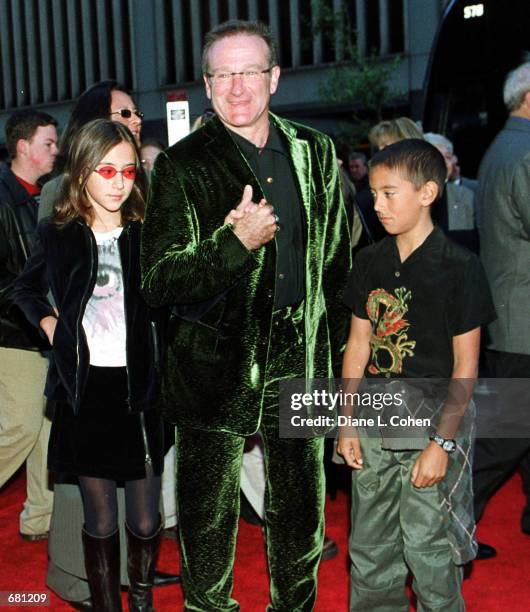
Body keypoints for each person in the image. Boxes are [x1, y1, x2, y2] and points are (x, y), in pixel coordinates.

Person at [141, 19, 351, 611]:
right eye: (223, 75)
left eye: (250, 72)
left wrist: (334, 370)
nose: (238, 87)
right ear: (207, 87)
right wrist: (235, 244)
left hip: (301, 360)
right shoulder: (181, 166)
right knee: (206, 527)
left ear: (275, 78)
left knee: (302, 518)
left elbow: (335, 270)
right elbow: (158, 282)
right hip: (212, 369)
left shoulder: (315, 150)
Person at [13, 119, 166, 612]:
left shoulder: (149, 233)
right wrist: (51, 325)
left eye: (128, 171)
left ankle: (139, 598)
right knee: (99, 519)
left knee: (144, 519)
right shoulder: (59, 234)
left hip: (140, 390)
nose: (120, 182)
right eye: (107, 170)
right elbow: (23, 288)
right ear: (81, 174)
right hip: (85, 389)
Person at [337, 139, 495, 610]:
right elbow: (358, 346)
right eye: (374, 193)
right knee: (369, 550)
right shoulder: (368, 261)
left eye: (389, 193)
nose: (377, 204)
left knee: (430, 551)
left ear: (428, 192)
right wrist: (345, 422)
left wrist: (441, 445)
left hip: (431, 425)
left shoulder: (460, 267)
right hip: (372, 423)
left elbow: (466, 368)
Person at [472, 61, 530, 559]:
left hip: (510, 314)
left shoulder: (501, 146)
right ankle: (451, 517)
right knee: (505, 433)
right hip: (522, 321)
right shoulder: (527, 150)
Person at [0, 109, 58, 540]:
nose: (57, 151)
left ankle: (40, 519)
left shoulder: (45, 196)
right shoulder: (3, 196)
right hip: (13, 331)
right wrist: (35, 311)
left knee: (47, 424)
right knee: (21, 424)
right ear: (23, 147)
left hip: (44, 330)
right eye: (48, 143)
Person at [424, 132, 478, 252]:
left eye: (447, 157)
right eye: (437, 156)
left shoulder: (466, 197)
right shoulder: (412, 197)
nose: (443, 163)